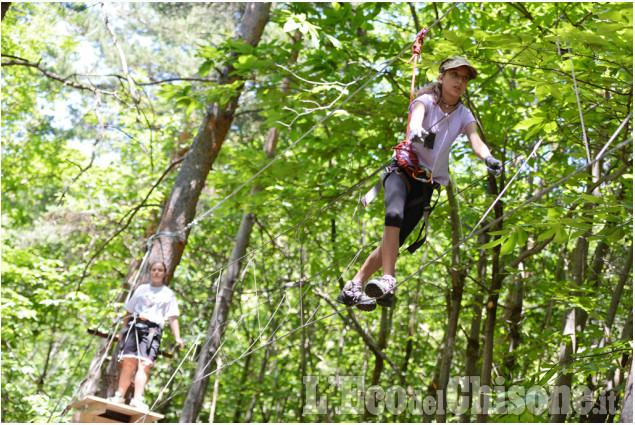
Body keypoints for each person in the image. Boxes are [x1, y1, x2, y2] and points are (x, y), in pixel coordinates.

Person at [337, 56, 502, 311]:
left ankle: (355, 284)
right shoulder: (426, 100)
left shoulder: (463, 114)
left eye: (465, 78)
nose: (459, 81)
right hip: (402, 171)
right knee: (393, 215)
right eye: (454, 75)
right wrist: (415, 130)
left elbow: (475, 140)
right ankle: (388, 281)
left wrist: (488, 157)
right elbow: (417, 117)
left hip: (426, 184)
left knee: (394, 241)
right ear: (442, 77)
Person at [108, 261, 184, 412]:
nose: (156, 272)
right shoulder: (142, 289)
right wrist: (122, 331)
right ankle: (119, 395)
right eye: (154, 270)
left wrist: (178, 337)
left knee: (145, 364)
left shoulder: (168, 293)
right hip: (135, 326)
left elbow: (172, 317)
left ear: (164, 274)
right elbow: (128, 311)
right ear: (150, 272)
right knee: (129, 362)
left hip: (153, 330)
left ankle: (137, 399)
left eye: (160, 270)